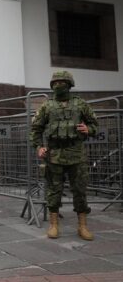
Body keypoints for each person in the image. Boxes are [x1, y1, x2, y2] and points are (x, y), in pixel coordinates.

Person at [30, 71, 98, 241]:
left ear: (69, 84)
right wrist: (39, 147)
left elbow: (94, 124)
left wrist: (88, 130)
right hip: (54, 155)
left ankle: (82, 226)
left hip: (77, 154)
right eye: (56, 82)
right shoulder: (46, 106)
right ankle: (54, 225)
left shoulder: (81, 104)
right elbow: (35, 130)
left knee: (80, 190)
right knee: (54, 191)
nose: (58, 85)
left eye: (62, 82)